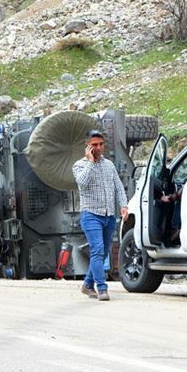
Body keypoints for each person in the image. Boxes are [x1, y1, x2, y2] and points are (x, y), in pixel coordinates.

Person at [72, 129, 128, 302]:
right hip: (91, 215)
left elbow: (118, 186)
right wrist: (90, 161)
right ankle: (102, 288)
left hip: (109, 215)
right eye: (94, 145)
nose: (98, 148)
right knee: (97, 250)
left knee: (103, 252)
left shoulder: (109, 165)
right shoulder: (79, 165)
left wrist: (124, 205)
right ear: (88, 146)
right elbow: (82, 182)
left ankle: (87, 284)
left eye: (101, 144)